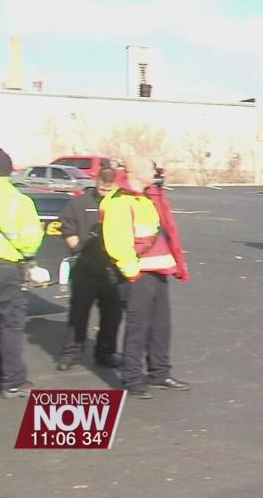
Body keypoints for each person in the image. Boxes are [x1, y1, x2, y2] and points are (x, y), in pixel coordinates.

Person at [101, 156, 190, 400]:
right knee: (137, 327)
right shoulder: (120, 202)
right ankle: (132, 378)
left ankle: (159, 373)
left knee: (161, 325)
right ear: (136, 172)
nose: (155, 172)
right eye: (151, 168)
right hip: (137, 276)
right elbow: (117, 244)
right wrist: (133, 274)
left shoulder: (147, 197)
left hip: (158, 272)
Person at [0, 147, 44, 398]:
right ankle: (12, 381)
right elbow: (31, 239)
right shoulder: (19, 200)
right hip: (5, 267)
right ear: (9, 171)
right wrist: (27, 256)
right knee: (9, 324)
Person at [56, 168, 122, 371]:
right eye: (102, 185)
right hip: (84, 268)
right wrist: (76, 248)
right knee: (78, 313)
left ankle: (105, 353)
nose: (105, 189)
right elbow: (67, 226)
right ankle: (71, 353)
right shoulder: (80, 203)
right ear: (96, 181)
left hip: (113, 269)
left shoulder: (122, 203)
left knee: (112, 315)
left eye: (109, 187)